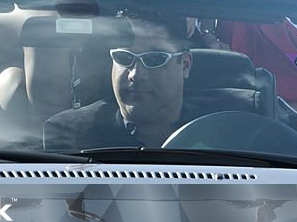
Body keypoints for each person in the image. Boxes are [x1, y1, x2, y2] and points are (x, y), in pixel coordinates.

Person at [44, 11, 195, 150]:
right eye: (124, 57)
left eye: (154, 59)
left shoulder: (215, 127)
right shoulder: (70, 135)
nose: (135, 74)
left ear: (185, 65)